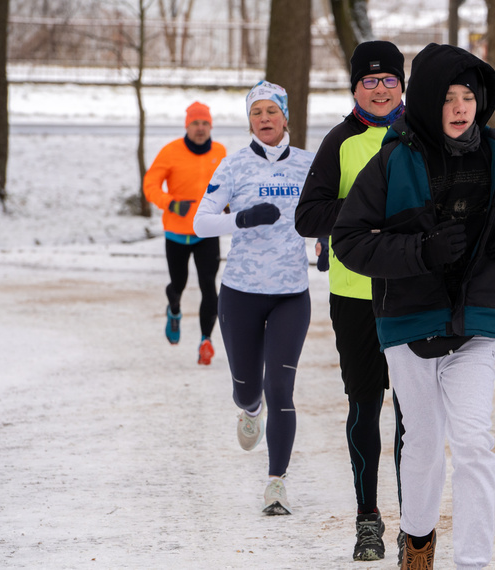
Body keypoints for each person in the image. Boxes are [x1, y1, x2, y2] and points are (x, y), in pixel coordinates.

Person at [331, 43, 495, 570]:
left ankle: (473, 562)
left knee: (473, 442)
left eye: (469, 96)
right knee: (422, 442)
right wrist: (418, 252)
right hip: (407, 320)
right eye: (448, 97)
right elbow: (349, 241)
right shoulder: (395, 158)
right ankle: (417, 542)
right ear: (426, 100)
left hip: (476, 321)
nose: (460, 106)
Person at [294, 40, 406, 562]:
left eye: (388, 80)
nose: (380, 89)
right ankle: (368, 519)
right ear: (355, 87)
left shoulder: (421, 135)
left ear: (402, 86)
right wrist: (363, 212)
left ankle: (416, 521)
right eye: (370, 81)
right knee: (364, 405)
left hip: (413, 292)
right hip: (355, 294)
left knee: (415, 415)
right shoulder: (340, 140)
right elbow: (306, 217)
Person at [193, 81, 314, 516]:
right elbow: (200, 223)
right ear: (250, 120)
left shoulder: (307, 163)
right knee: (248, 389)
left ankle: (276, 484)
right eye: (256, 112)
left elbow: (324, 213)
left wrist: (325, 242)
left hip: (290, 295)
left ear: (286, 117)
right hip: (241, 293)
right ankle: (249, 410)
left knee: (279, 386)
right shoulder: (233, 165)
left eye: (272, 111)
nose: (264, 118)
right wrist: (241, 219)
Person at [143, 101, 226, 365]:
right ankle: (174, 311)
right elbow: (150, 185)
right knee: (177, 284)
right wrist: (170, 203)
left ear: (210, 126)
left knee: (208, 287)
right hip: (177, 233)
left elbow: (229, 185)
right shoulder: (171, 152)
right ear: (187, 126)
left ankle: (206, 340)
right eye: (195, 123)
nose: (200, 128)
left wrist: (227, 205)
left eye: (205, 123)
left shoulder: (221, 152)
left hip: (207, 231)